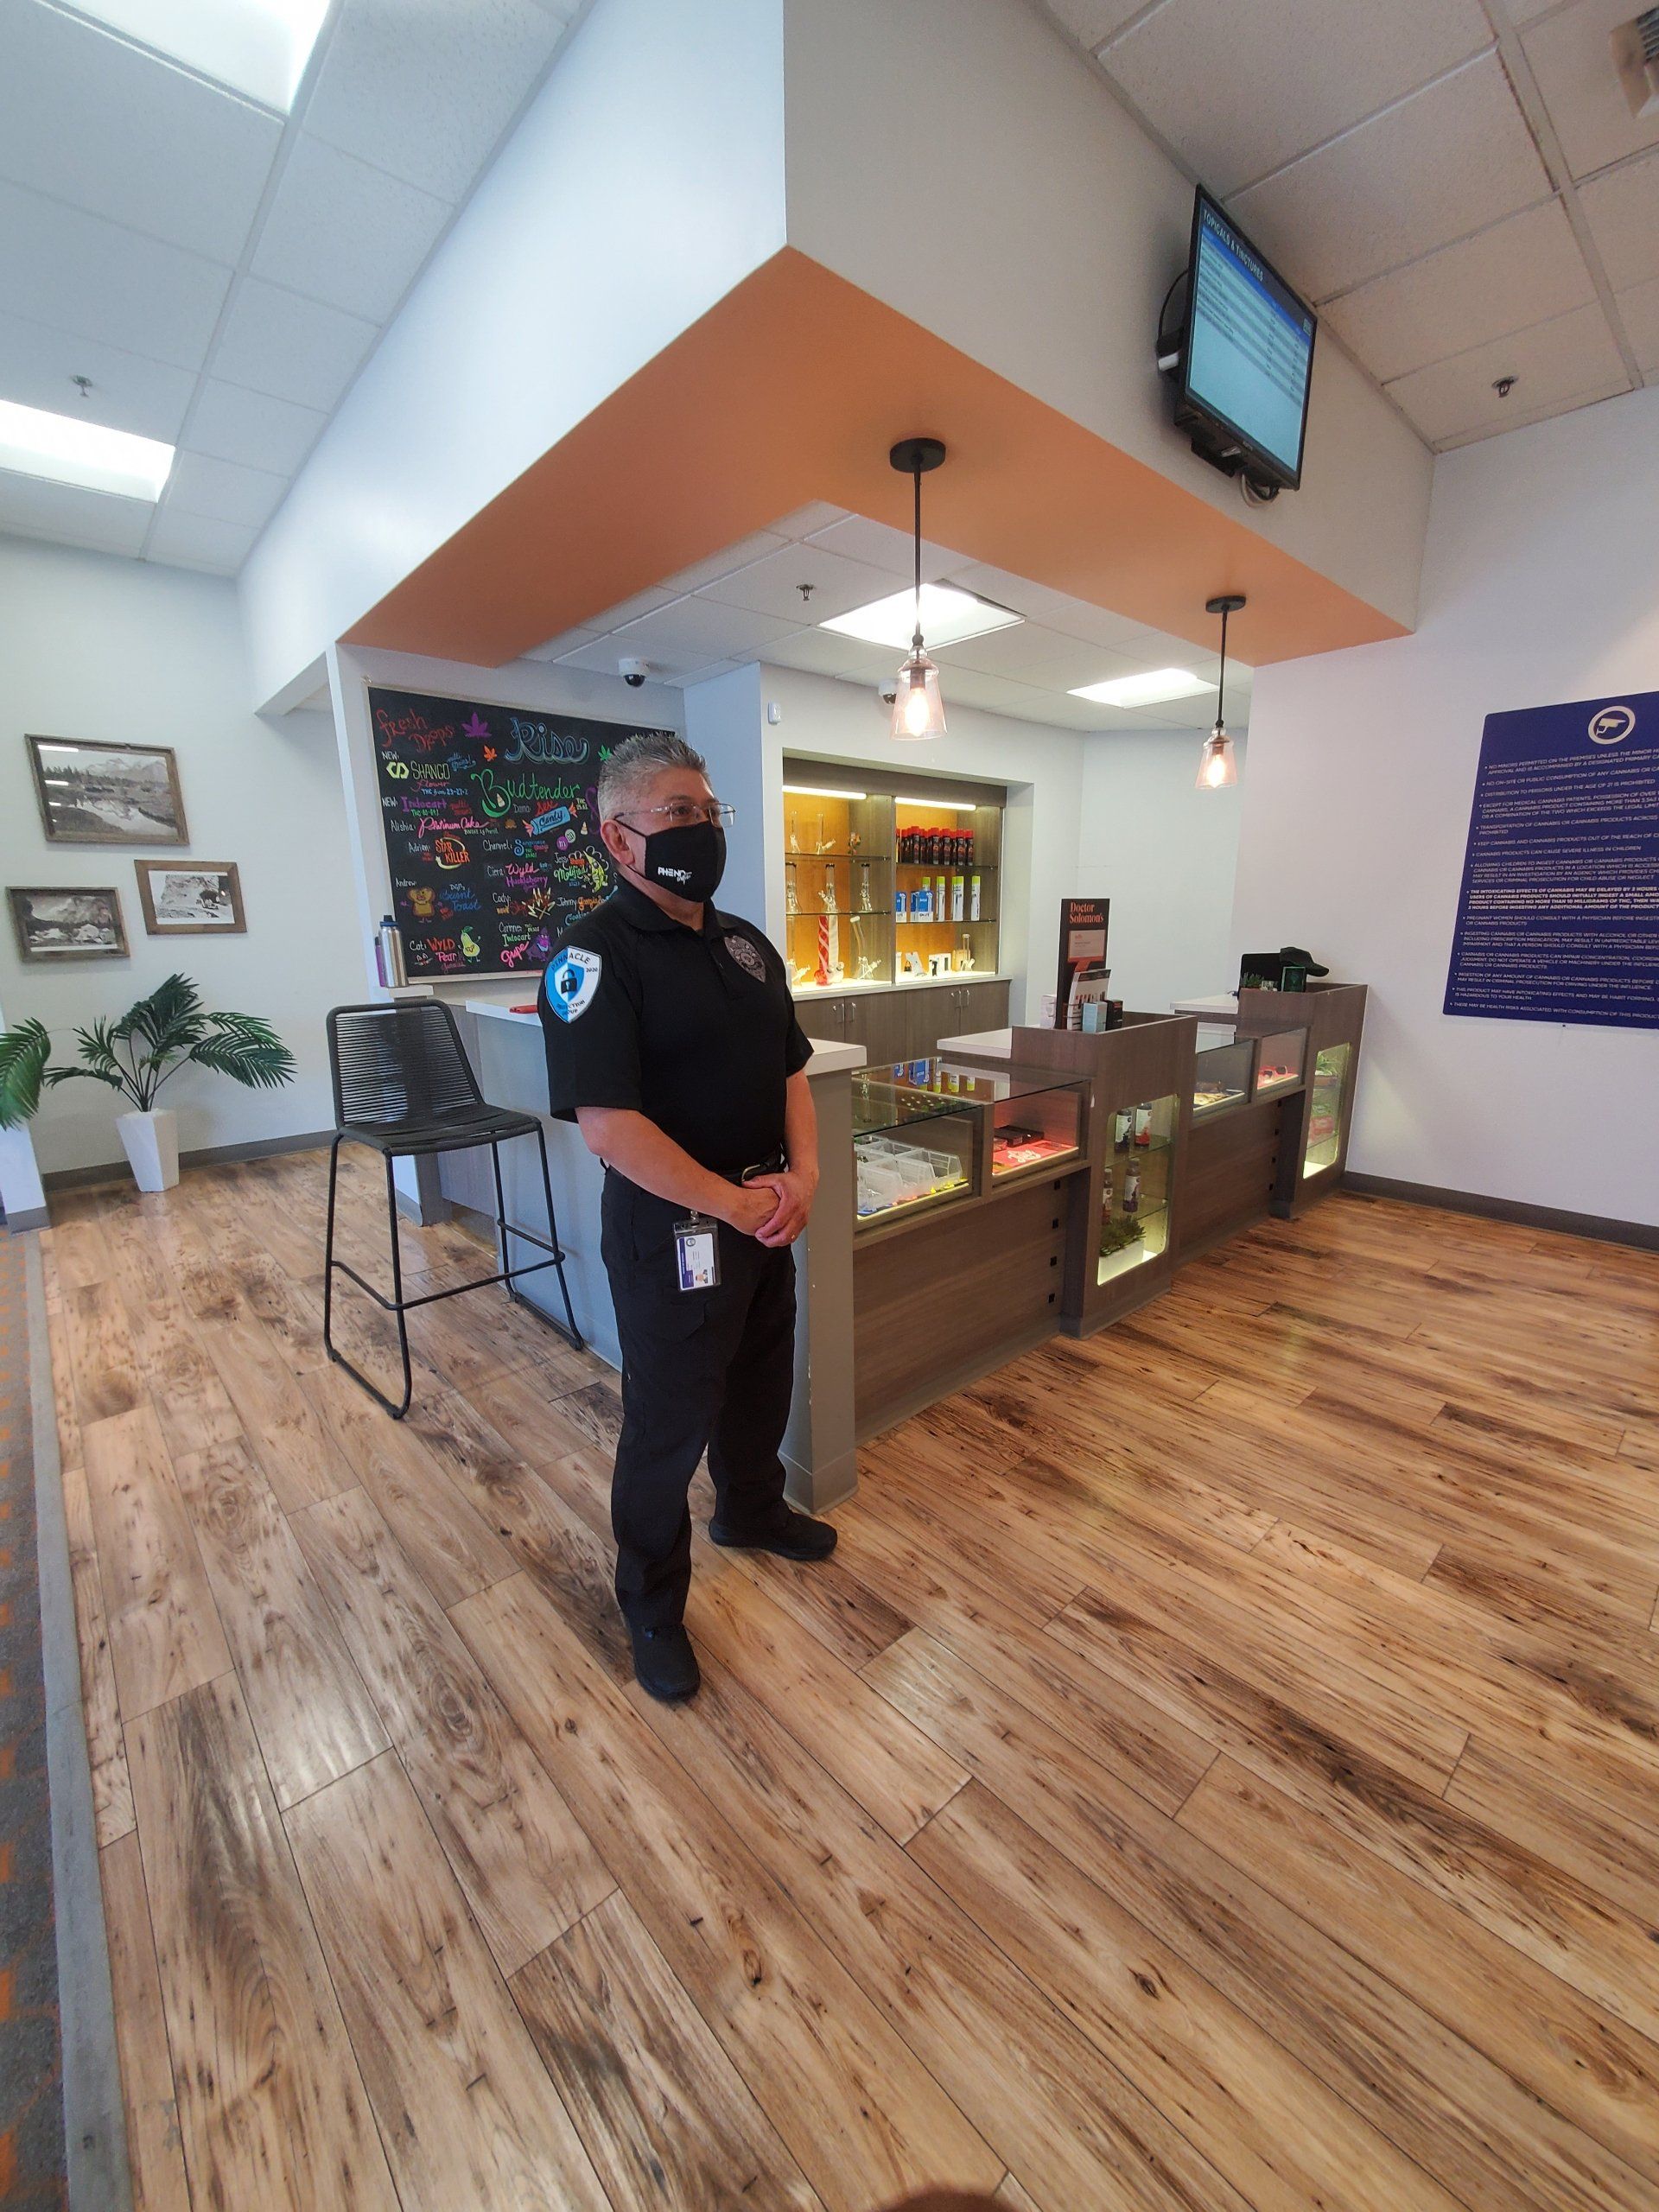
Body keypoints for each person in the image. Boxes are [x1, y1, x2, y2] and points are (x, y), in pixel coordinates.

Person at [537, 730, 836, 1702]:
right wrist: (735, 1201)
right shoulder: (590, 956)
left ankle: (750, 1509)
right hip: (677, 1233)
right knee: (668, 1423)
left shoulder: (747, 944)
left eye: (710, 814)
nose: (702, 830)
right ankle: (652, 1602)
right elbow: (610, 1128)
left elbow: (792, 1066)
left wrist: (806, 1172)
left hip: (764, 1216)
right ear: (618, 837)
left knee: (758, 1379)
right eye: (679, 813)